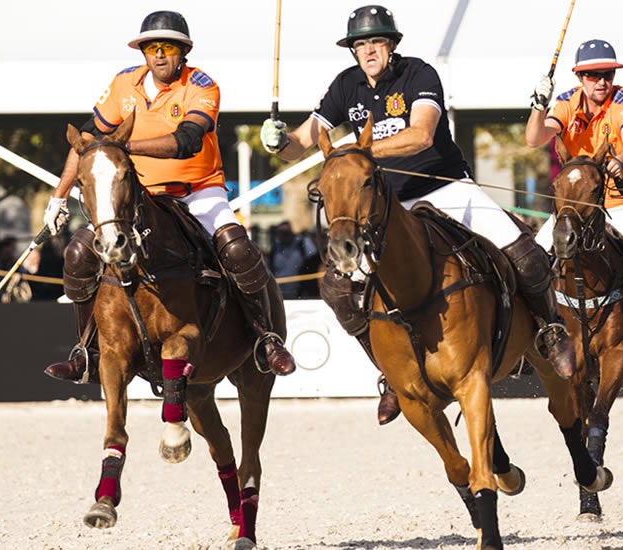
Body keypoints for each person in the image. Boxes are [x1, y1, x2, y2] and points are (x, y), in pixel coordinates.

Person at [261, 4, 576, 424]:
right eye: (360, 44)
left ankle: (550, 329)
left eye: (376, 41)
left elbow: (422, 134)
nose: (368, 50)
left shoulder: (419, 74)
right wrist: (278, 142)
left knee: (525, 253)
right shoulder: (345, 86)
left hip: (447, 188)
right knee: (338, 288)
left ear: (391, 45)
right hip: (391, 206)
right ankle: (391, 372)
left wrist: (357, 152)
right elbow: (304, 141)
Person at [39, 11, 296, 410]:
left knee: (238, 248)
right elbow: (88, 143)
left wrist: (122, 148)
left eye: (168, 48)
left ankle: (265, 337)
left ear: (183, 52)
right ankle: (87, 349)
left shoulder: (201, 86)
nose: (159, 55)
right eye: (152, 48)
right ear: (143, 52)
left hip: (198, 191)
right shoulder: (124, 84)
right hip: (141, 194)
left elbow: (187, 141)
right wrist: (59, 196)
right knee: (77, 253)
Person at [524, 38, 623, 380]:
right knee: (531, 267)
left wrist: (618, 161)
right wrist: (538, 106)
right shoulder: (566, 103)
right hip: (575, 207)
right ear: (580, 78)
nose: (602, 81)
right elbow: (534, 138)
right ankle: (531, 340)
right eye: (593, 74)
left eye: (607, 74)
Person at [268, 222, 318, 299]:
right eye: (281, 233)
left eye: (286, 233)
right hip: (279, 291)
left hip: (300, 292)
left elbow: (314, 258)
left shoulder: (302, 245)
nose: (284, 236)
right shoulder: (275, 248)